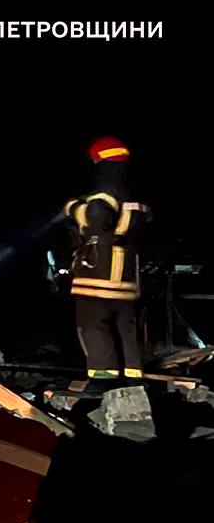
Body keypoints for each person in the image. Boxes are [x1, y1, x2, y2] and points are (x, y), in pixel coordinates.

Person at [64, 137, 149, 382]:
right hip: (127, 278)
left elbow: (97, 221)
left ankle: (102, 380)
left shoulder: (103, 193)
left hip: (98, 276)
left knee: (93, 326)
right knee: (126, 330)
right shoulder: (133, 192)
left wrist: (74, 208)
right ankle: (132, 377)